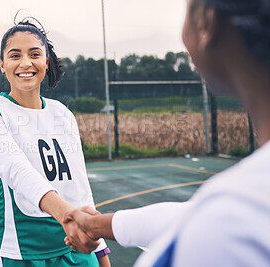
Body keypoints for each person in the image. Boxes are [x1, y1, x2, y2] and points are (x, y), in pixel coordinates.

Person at [64, 0, 270, 266]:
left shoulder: (227, 226)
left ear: (207, 21)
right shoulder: (240, 207)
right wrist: (95, 225)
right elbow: (189, 216)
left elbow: (209, 222)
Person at [0, 18, 110, 266]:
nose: (26, 63)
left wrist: (100, 249)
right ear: (2, 65)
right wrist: (67, 216)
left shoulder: (62, 114)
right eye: (15, 55)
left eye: (34, 54)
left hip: (75, 249)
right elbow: (18, 170)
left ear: (46, 61)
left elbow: (80, 186)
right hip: (16, 253)